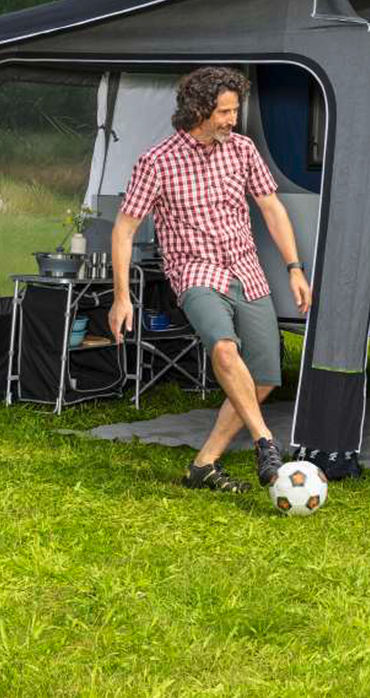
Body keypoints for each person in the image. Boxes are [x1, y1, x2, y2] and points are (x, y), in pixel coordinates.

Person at [106, 66, 313, 496]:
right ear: (198, 110)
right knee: (223, 346)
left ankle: (204, 465)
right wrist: (121, 298)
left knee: (264, 377)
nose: (231, 119)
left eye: (235, 110)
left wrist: (295, 268)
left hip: (247, 270)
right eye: (224, 111)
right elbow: (123, 231)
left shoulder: (242, 149)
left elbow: (272, 208)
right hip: (196, 271)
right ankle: (266, 443)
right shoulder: (157, 161)